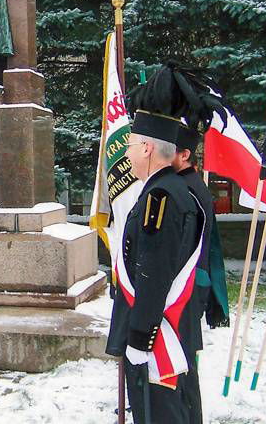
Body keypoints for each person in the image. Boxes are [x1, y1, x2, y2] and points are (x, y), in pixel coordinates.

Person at [108, 70, 206, 423]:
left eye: (132, 144)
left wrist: (139, 338)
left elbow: (153, 273)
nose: (129, 152)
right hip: (164, 330)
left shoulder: (160, 198)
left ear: (147, 147)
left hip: (157, 337)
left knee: (160, 413)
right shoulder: (170, 190)